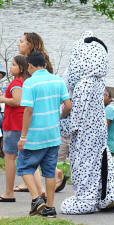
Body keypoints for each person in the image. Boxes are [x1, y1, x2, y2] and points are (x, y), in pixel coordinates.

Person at [60, 32, 114, 214]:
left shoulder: (84, 84)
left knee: (84, 163)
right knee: (103, 160)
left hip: (85, 132)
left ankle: (85, 198)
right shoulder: (99, 81)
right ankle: (109, 192)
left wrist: (63, 126)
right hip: (99, 130)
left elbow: (77, 114)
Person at [17, 51, 71, 217]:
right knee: (49, 171)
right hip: (53, 135)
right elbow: (68, 106)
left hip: (34, 135)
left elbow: (28, 110)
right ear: (45, 65)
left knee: (24, 166)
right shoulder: (58, 81)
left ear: (31, 66)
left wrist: (23, 136)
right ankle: (49, 207)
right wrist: (59, 118)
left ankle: (36, 199)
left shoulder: (30, 83)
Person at [14, 32, 67, 194]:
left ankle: (38, 188)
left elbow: (32, 102)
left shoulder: (35, 63)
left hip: (37, 117)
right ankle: (40, 187)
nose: (18, 44)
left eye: (22, 42)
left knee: (28, 151)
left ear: (30, 44)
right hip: (44, 118)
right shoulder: (37, 61)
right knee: (38, 153)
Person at [0, 55, 29, 202]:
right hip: (21, 123)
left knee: (10, 157)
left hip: (13, 124)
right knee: (26, 156)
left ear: (21, 68)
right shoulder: (25, 82)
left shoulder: (17, 82)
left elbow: (17, 101)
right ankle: (39, 189)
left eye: (13, 65)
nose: (10, 67)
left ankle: (9, 192)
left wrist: (2, 99)